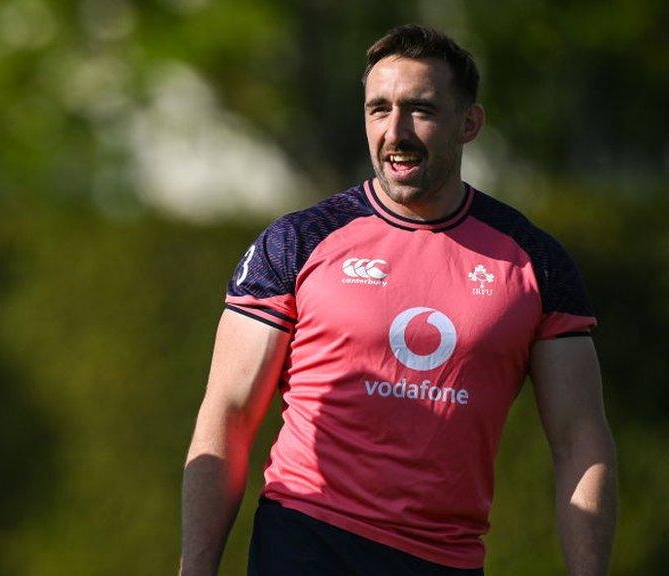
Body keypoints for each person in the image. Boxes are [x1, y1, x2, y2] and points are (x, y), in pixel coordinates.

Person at [180, 24, 617, 576]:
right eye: (378, 109)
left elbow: (581, 441)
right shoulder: (296, 242)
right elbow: (228, 413)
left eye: (421, 110)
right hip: (306, 538)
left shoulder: (537, 263)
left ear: (469, 124)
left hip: (445, 557)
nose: (396, 131)